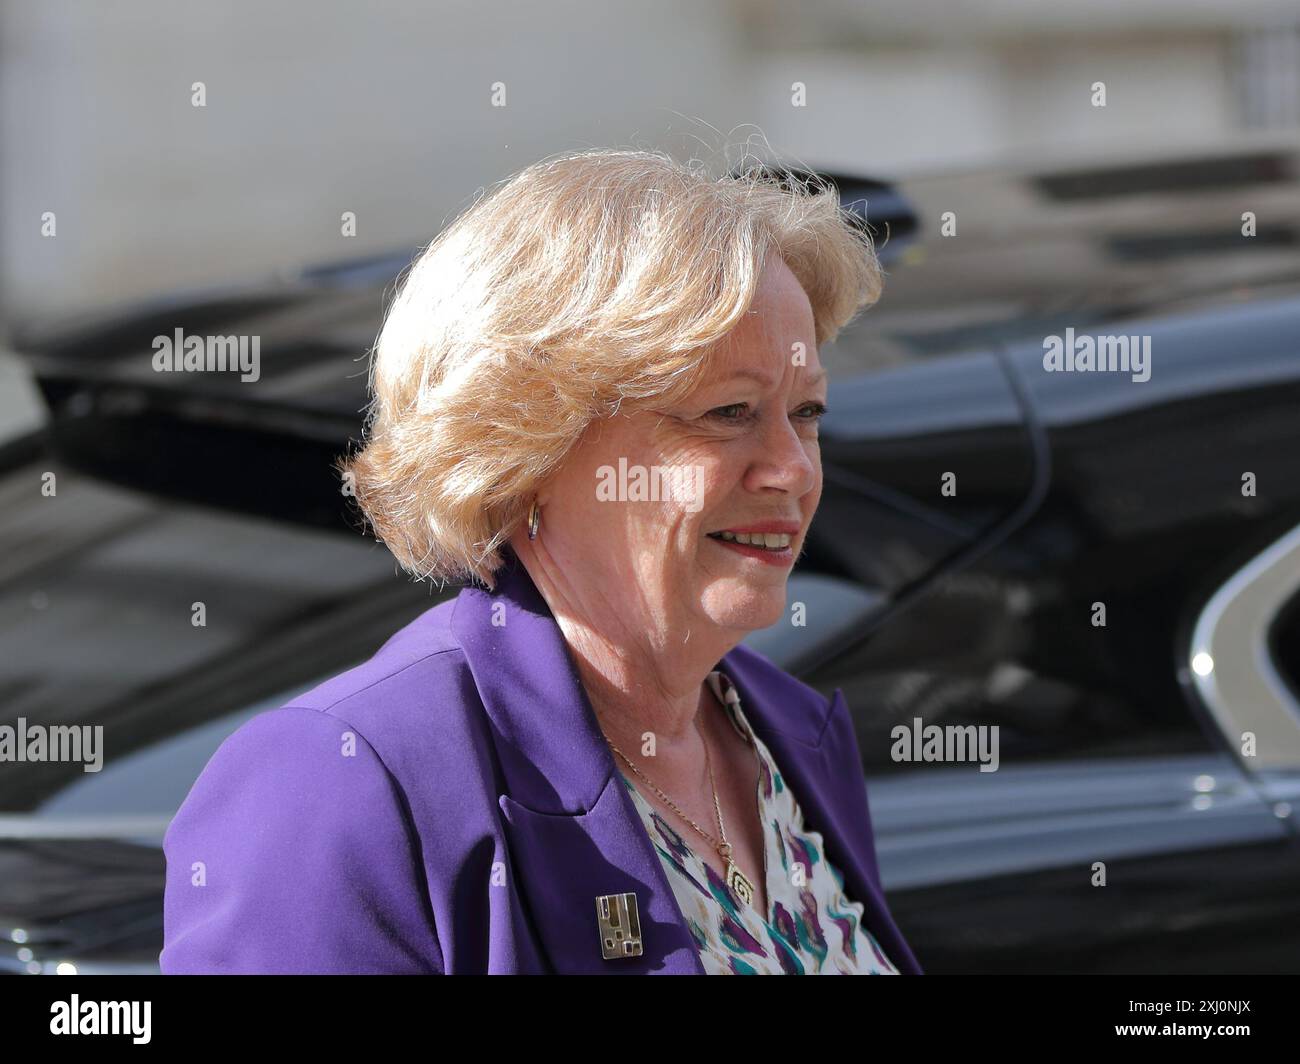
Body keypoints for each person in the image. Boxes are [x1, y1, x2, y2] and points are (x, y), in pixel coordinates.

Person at [160, 147, 922, 974]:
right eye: (729, 411)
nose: (792, 467)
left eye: (804, 413)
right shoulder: (342, 780)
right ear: (527, 449)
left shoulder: (792, 731)